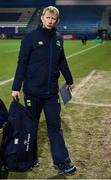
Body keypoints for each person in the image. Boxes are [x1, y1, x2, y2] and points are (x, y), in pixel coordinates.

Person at [11, 6, 76, 174]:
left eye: (53, 19)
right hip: (32, 92)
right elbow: (22, 63)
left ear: (57, 21)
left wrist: (69, 79)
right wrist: (16, 87)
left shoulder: (58, 39)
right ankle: (29, 159)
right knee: (30, 127)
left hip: (51, 94)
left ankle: (62, 161)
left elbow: (62, 61)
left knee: (55, 127)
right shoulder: (30, 38)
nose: (50, 21)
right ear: (42, 18)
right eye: (48, 18)